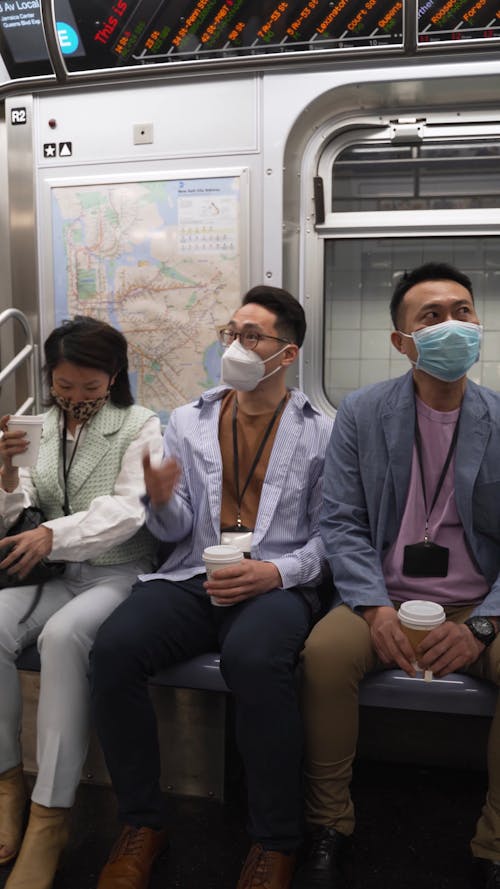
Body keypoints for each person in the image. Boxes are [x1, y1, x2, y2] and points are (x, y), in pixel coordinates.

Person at [89, 285, 334, 889]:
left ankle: (275, 839)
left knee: (254, 660)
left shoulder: (323, 431)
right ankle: (143, 822)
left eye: (253, 336)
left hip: (276, 581)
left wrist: (275, 573)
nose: (237, 346)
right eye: (231, 333)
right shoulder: (188, 420)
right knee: (115, 649)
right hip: (195, 573)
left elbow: (333, 536)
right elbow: (174, 531)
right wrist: (161, 498)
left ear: (287, 353)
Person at [292, 262, 500, 889]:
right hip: (381, 598)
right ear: (401, 341)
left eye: (462, 312)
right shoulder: (362, 412)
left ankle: (494, 846)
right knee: (323, 656)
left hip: (477, 604)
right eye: (430, 317)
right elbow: (343, 520)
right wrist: (373, 606)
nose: (452, 326)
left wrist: (484, 625)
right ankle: (329, 824)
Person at [0, 316, 163, 889]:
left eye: (90, 390)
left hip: (118, 572)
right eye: (64, 388)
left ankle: (51, 815)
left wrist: (54, 535)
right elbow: (15, 513)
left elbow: (129, 512)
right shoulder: (38, 424)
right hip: (54, 574)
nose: (76, 401)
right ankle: (7, 784)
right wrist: (4, 472)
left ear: (113, 378)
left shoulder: (140, 425)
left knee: (63, 637)